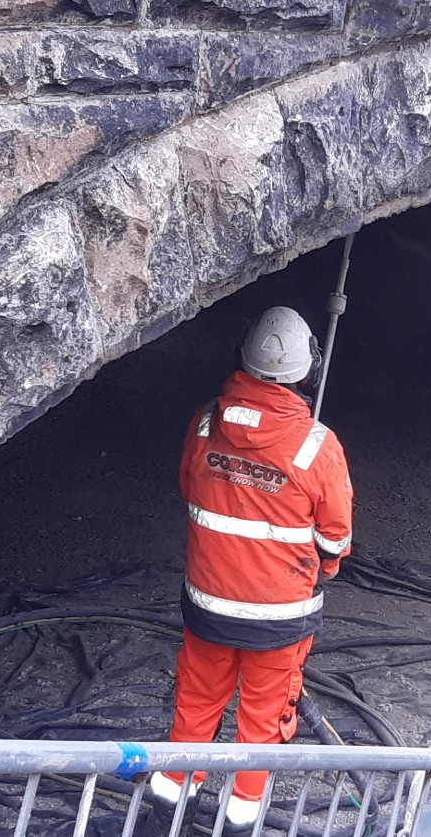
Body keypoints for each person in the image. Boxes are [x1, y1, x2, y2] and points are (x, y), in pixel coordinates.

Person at [146, 306, 354, 832]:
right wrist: (321, 565)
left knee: (194, 706)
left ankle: (165, 810)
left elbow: (192, 491)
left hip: (208, 607)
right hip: (280, 619)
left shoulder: (205, 421)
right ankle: (240, 819)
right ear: (309, 369)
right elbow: (335, 537)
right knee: (262, 723)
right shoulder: (316, 445)